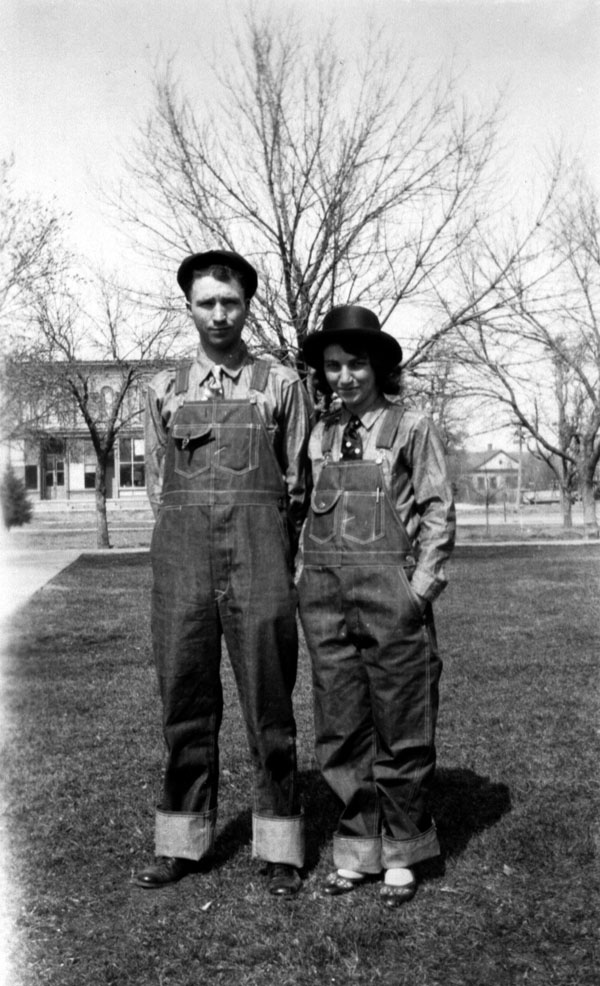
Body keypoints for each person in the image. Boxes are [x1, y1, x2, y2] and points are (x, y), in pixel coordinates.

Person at [134, 250, 310, 897]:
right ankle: (181, 844)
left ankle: (281, 846)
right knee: (184, 701)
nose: (217, 314)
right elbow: (158, 484)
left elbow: (297, 484)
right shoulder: (162, 389)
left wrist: (266, 545)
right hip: (182, 560)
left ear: (247, 306)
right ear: (189, 306)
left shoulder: (281, 384)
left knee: (270, 704)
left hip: (260, 557)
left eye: (229, 302)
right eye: (206, 302)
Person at [297, 304, 455, 907]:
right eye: (333, 366)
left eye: (356, 364)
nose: (344, 377)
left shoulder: (412, 427)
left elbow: (438, 510)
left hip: (392, 595)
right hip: (327, 598)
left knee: (402, 725)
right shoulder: (320, 434)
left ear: (378, 367)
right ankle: (358, 848)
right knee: (339, 727)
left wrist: (420, 588)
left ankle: (406, 850)